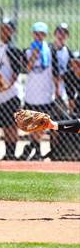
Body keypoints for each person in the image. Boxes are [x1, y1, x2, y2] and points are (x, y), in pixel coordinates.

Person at [20, 22, 58, 161]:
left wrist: (57, 90)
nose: (39, 36)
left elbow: (55, 72)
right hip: (31, 94)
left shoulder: (50, 50)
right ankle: (35, 148)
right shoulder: (28, 51)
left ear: (45, 35)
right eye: (36, 33)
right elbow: (26, 69)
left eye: (42, 34)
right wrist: (33, 56)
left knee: (42, 125)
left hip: (45, 94)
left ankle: (34, 148)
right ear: (33, 34)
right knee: (33, 124)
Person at [0, 19, 23, 160]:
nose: (4, 31)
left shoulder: (13, 49)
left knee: (12, 126)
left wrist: (6, 86)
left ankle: (12, 154)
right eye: (2, 28)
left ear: (12, 31)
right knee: (4, 125)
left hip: (11, 94)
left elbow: (16, 73)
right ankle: (6, 153)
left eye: (7, 28)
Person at [48, 23, 74, 155]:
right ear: (55, 33)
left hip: (62, 92)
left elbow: (69, 74)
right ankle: (52, 148)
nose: (62, 35)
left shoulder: (67, 51)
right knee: (50, 121)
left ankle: (58, 149)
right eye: (59, 32)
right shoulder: (49, 49)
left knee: (60, 121)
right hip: (48, 91)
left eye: (64, 32)